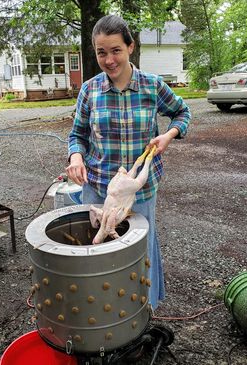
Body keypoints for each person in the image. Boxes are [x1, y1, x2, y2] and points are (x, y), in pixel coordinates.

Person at [66, 14, 191, 310]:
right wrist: (75, 156)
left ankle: (140, 317)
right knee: (98, 254)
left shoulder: (152, 85)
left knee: (138, 254)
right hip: (98, 189)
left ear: (130, 47)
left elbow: (182, 113)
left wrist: (169, 135)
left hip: (140, 192)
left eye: (115, 50)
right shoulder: (90, 90)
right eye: (101, 52)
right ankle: (100, 317)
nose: (109, 60)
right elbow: (77, 135)